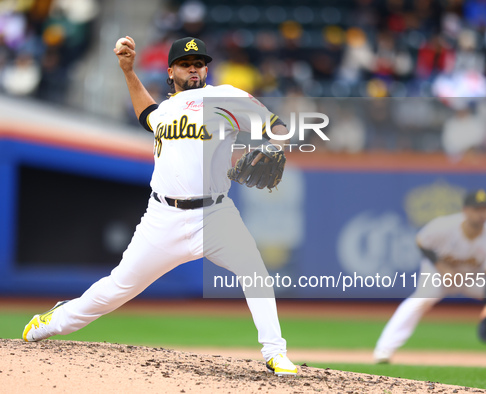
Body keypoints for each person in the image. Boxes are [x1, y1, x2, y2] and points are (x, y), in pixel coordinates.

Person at [21, 36, 298, 377]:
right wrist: (128, 71)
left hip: (215, 215)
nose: (194, 69)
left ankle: (275, 353)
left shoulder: (225, 98)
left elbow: (278, 126)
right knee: (115, 291)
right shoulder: (165, 110)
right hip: (162, 218)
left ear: (206, 69)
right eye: (185, 64)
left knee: (255, 273)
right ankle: (53, 320)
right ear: (171, 71)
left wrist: (274, 147)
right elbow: (147, 114)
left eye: (199, 64)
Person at [374, 189, 486, 364]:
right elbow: (421, 242)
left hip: (473, 277)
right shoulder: (444, 226)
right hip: (439, 273)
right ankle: (384, 349)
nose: (481, 214)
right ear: (465, 210)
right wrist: (442, 267)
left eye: (485, 209)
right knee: (420, 300)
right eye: (476, 209)